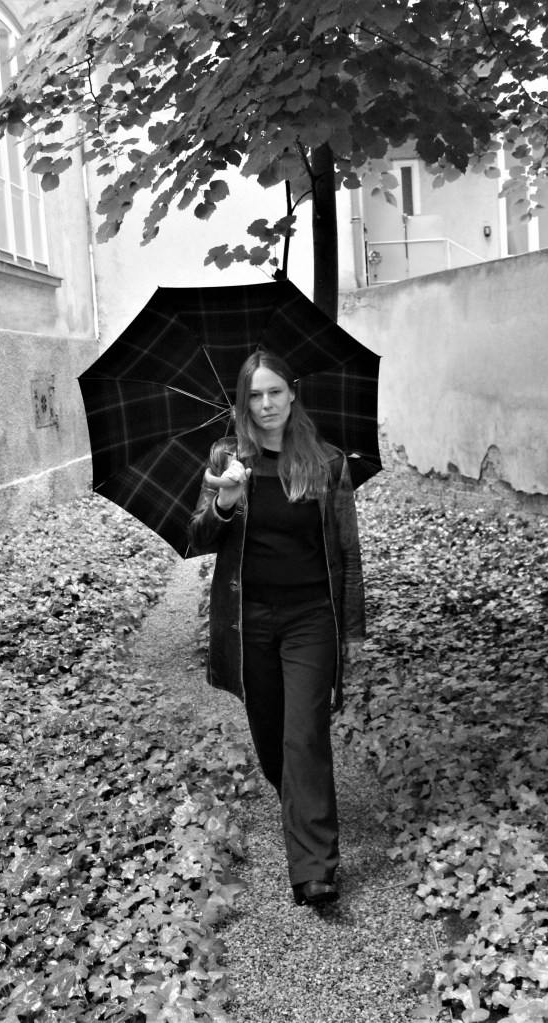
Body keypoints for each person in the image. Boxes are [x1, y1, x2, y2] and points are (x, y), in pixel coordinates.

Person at [188, 349, 365, 907]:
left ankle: (314, 868)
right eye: (255, 395)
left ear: (292, 394)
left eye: (275, 392)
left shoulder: (327, 463)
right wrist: (225, 500)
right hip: (250, 620)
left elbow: (347, 551)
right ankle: (299, 800)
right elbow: (198, 537)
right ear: (243, 403)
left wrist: (351, 632)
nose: (266, 405)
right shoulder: (226, 458)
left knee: (304, 733)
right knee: (271, 741)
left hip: (311, 616)